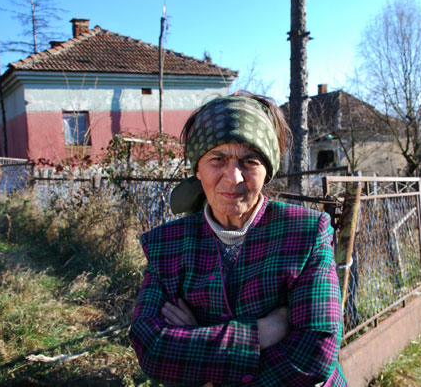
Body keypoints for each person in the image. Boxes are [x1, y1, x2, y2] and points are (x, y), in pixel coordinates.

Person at [129, 92, 347, 386]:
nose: (234, 177)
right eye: (217, 159)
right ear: (197, 169)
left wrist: (196, 339)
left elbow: (315, 355)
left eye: (249, 161)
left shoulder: (306, 232)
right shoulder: (167, 244)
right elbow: (151, 348)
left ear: (267, 170)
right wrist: (262, 332)